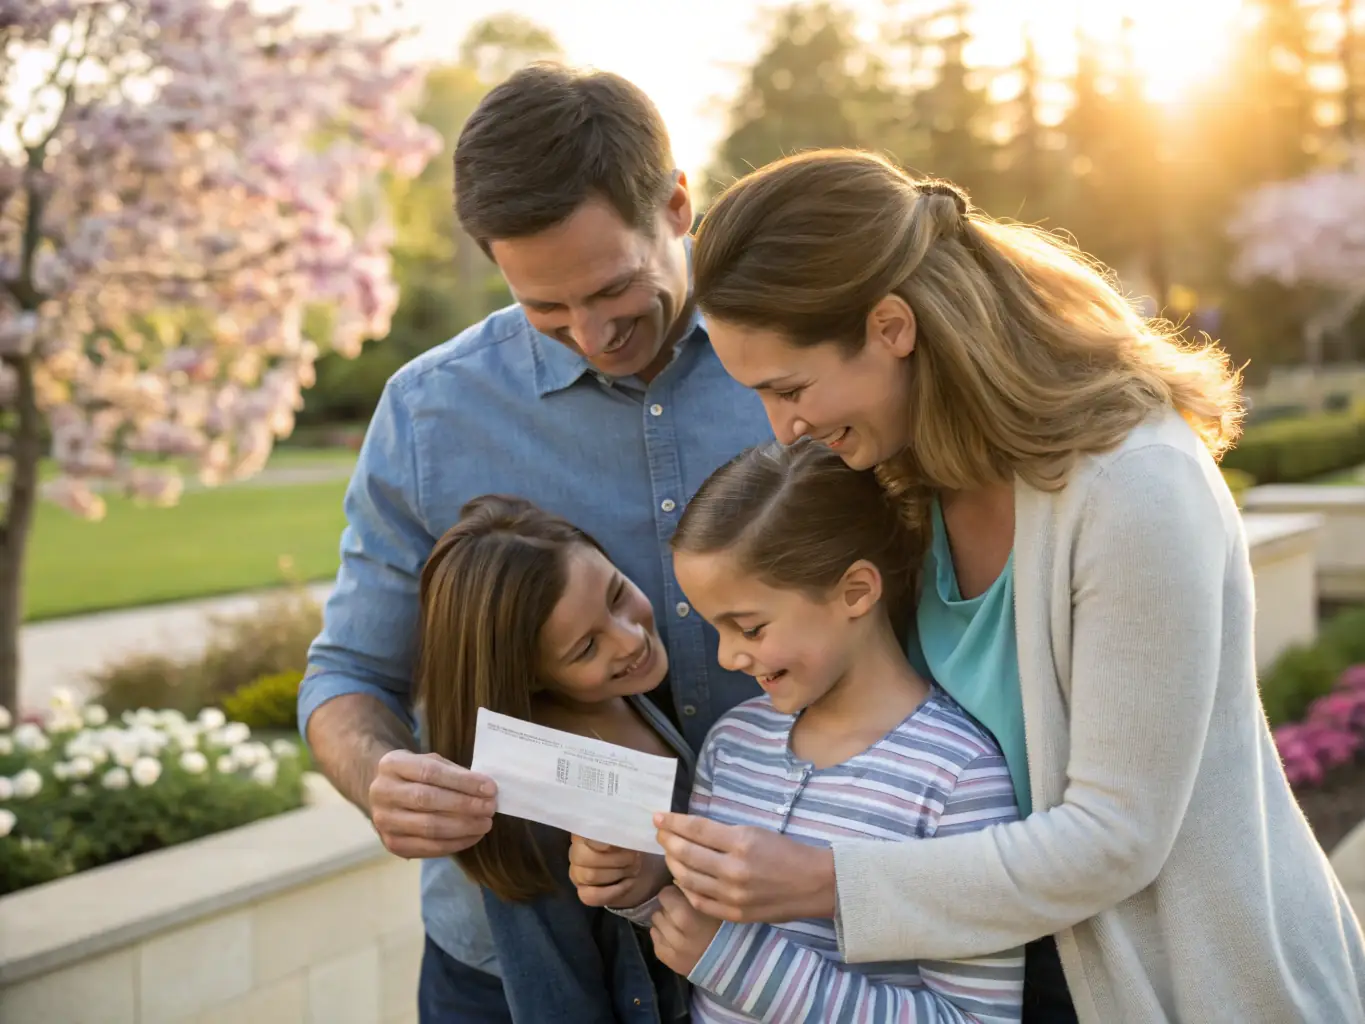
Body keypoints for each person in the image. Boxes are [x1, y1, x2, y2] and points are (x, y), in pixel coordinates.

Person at [649, 148, 1365, 1022]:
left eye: (790, 387)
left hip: (1184, 988)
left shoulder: (1133, 488)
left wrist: (823, 883)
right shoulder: (902, 479)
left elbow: (1115, 840)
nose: (784, 427)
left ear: (890, 327)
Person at [297, 63, 772, 1022]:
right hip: (508, 971)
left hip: (768, 941)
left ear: (677, 205)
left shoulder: (794, 366)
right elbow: (346, 676)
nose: (592, 333)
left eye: (612, 289)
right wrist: (381, 776)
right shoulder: (431, 414)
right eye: (545, 310)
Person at [574, 438, 1025, 1023]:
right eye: (717, 629)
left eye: (750, 628)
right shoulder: (733, 743)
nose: (729, 657)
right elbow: (705, 924)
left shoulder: (957, 776)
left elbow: (973, 1018)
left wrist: (738, 967)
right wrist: (644, 883)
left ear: (855, 592)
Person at [414, 495, 692, 1022]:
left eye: (616, 595)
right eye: (586, 648)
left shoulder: (631, 694)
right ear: (530, 677)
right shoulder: (528, 805)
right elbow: (556, 997)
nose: (631, 639)